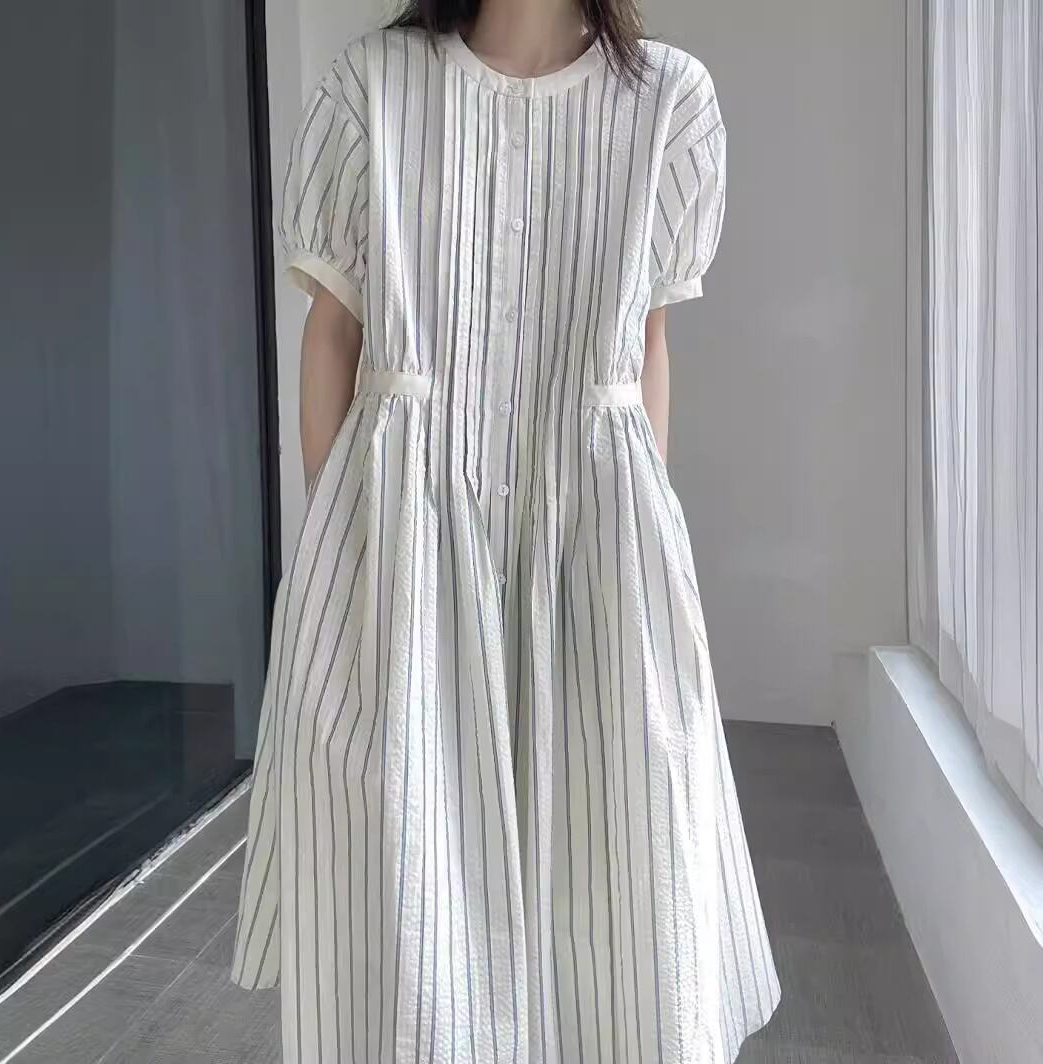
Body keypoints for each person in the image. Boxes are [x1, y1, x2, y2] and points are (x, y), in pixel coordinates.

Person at [230, 0, 780, 1059]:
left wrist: (639, 543)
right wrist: (338, 549)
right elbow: (331, 335)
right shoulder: (372, 87)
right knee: (410, 872)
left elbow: (645, 346)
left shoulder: (668, 100)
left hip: (599, 532)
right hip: (402, 537)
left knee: (622, 857)